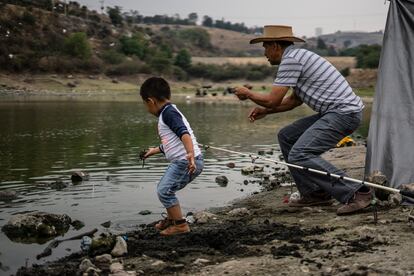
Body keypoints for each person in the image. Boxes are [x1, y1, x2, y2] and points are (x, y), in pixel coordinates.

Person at [234, 25, 371, 215]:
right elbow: (292, 102)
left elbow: (273, 99)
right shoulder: (298, 57)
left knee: (300, 154)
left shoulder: (290, 60)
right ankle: (314, 194)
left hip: (343, 114)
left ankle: (357, 193)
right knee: (287, 136)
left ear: (275, 46)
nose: (265, 53)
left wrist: (248, 93)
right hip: (338, 113)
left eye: (265, 47)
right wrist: (265, 111)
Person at [140, 77, 203, 235]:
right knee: (166, 189)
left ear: (151, 101)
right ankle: (171, 219)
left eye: (145, 104)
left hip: (186, 161)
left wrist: (190, 155)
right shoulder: (168, 112)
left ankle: (180, 225)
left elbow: (184, 134)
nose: (147, 109)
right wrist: (154, 150)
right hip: (185, 160)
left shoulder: (168, 113)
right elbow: (172, 142)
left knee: (164, 190)